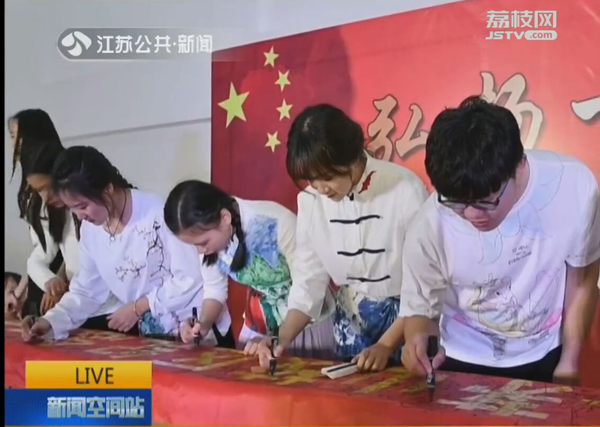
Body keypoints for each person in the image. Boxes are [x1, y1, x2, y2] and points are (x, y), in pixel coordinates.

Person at [400, 96, 600, 384]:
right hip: (462, 355)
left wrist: (569, 362)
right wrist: (418, 338)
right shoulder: (429, 224)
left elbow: (581, 281)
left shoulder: (573, 187)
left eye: (486, 201)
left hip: (543, 352)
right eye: (457, 203)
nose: (471, 215)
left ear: (519, 166)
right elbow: (421, 310)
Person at [253, 104, 428, 371]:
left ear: (352, 155)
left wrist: (386, 345)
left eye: (327, 177)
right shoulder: (311, 201)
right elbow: (309, 281)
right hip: (351, 327)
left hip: (408, 324)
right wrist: (280, 338)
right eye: (311, 180)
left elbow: (425, 283)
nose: (321, 188)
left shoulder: (404, 188)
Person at [20, 146, 229, 344]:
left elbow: (190, 277)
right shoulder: (90, 231)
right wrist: (50, 321)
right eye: (71, 209)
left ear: (108, 189)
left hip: (196, 326)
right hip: (154, 337)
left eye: (83, 206)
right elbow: (86, 290)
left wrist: (139, 306)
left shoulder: (156, 213)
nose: (79, 216)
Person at [164, 180, 334, 358]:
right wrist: (203, 325)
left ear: (225, 218)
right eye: (195, 245)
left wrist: (278, 339)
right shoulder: (212, 236)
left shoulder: (274, 222)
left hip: (303, 324)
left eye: (203, 243)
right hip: (258, 331)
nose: (200, 251)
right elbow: (214, 289)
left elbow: (308, 287)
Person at [8, 109, 70, 317]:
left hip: (67, 278)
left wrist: (60, 278)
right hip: (45, 275)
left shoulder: (65, 179)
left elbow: (74, 244)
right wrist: (19, 293)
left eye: (18, 136)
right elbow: (41, 248)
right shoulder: (29, 187)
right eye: (12, 136)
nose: (14, 144)